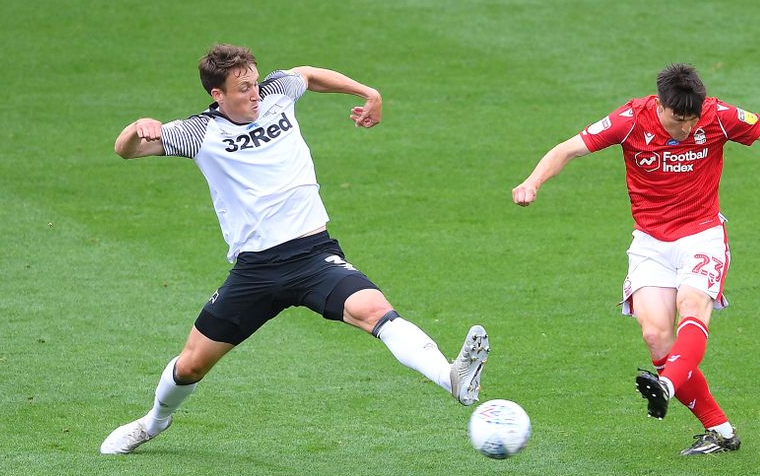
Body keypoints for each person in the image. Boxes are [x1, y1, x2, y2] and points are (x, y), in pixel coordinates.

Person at [100, 44, 490, 455]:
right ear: (218, 94)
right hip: (255, 271)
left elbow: (308, 73)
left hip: (313, 256)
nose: (255, 93)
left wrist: (368, 93)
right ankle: (153, 423)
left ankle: (451, 377)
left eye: (255, 82)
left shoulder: (276, 92)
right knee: (192, 364)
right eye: (243, 88)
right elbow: (127, 150)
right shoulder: (199, 132)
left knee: (376, 311)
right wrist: (137, 127)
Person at [512, 63, 760, 456]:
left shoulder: (718, 117)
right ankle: (720, 431)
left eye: (691, 120)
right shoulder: (630, 120)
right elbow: (568, 149)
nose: (685, 128)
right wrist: (533, 181)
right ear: (660, 106)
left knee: (692, 304)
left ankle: (667, 385)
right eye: (677, 119)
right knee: (655, 335)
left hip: (701, 235)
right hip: (650, 243)